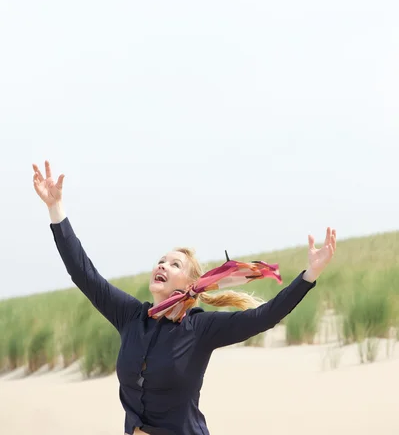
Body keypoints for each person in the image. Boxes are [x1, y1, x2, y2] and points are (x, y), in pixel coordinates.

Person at [32, 160, 337, 435]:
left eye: (175, 264)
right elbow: (84, 274)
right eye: (161, 260)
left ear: (192, 283)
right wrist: (56, 210)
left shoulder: (200, 329)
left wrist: (309, 274)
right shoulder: (130, 316)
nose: (162, 265)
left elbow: (265, 316)